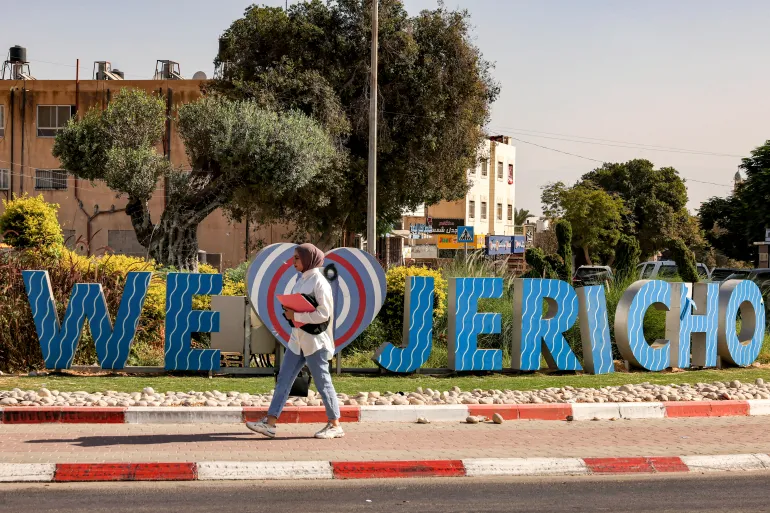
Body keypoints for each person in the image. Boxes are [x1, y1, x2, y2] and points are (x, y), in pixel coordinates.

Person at [246, 243, 344, 439]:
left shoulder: (319, 281)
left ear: (309, 259)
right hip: (297, 340)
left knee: (322, 381)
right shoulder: (301, 280)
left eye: (297, 258)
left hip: (315, 341)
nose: (293, 262)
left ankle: (335, 425)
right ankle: (270, 423)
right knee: (284, 378)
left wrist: (297, 316)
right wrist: (289, 312)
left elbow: (324, 314)